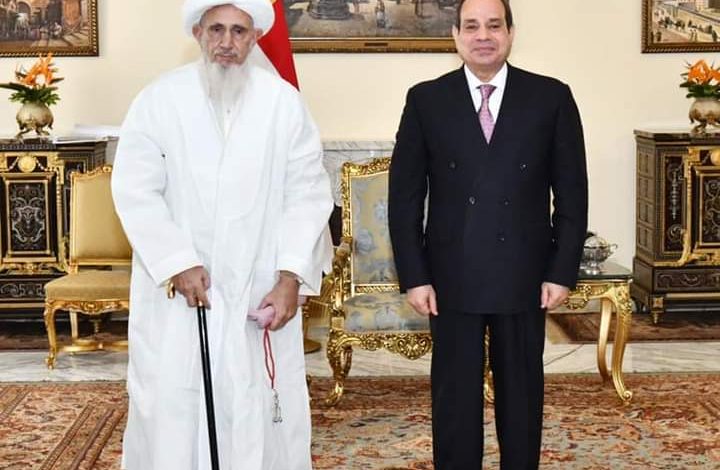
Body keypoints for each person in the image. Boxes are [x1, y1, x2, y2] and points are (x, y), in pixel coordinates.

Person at [111, 0, 333, 468]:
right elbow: (135, 189)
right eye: (216, 30)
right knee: (176, 401)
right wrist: (177, 260)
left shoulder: (283, 104)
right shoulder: (159, 100)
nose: (226, 43)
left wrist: (290, 276)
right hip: (182, 296)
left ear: (255, 38)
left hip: (259, 289)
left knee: (259, 404)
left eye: (238, 31)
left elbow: (308, 194)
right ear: (197, 33)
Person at [388, 0, 588, 468]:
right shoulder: (425, 100)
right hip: (450, 276)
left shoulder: (551, 97)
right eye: (472, 26)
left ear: (510, 33)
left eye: (494, 26)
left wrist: (561, 271)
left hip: (524, 274)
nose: (483, 36)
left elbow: (573, 194)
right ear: (455, 36)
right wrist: (415, 277)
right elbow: (405, 198)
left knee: (522, 396)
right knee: (454, 399)